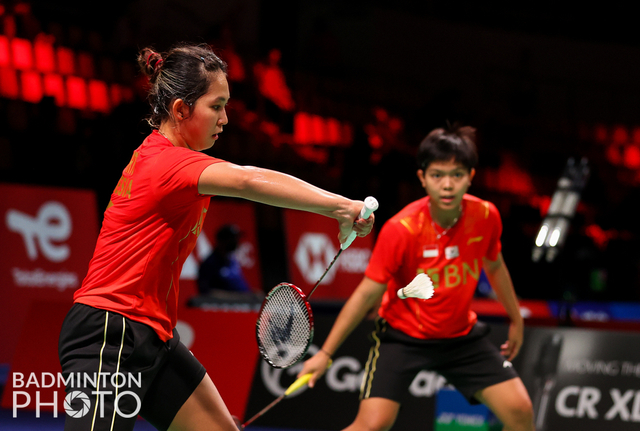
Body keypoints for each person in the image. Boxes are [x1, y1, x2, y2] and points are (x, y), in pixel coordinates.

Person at [57, 43, 374, 431]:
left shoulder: (175, 160)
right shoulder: (167, 163)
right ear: (180, 110)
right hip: (108, 335)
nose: (225, 118)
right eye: (216, 105)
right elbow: (246, 179)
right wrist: (341, 207)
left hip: (153, 336)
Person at [299, 125, 535, 431]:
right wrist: (326, 353)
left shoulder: (486, 216)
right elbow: (366, 294)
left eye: (457, 175)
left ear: (471, 176)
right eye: (437, 175)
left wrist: (516, 318)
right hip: (403, 336)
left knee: (521, 411)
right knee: (372, 425)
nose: (447, 185)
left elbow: (496, 266)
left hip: (460, 337)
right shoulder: (402, 228)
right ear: (422, 178)